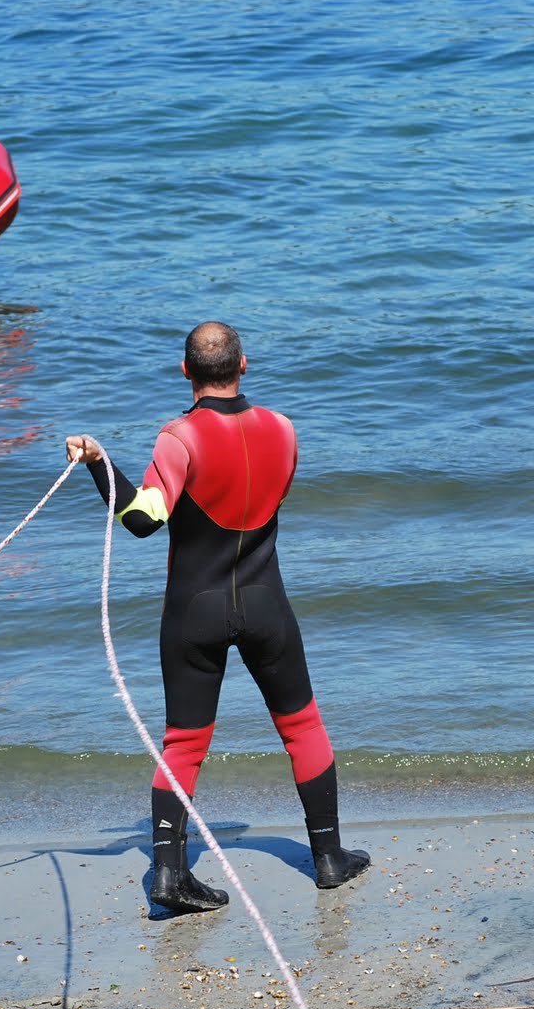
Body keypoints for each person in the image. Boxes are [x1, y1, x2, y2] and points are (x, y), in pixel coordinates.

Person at [65, 322, 370, 914]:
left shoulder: (178, 439)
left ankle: (170, 876)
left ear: (185, 371)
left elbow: (141, 519)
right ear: (244, 365)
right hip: (266, 603)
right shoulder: (284, 431)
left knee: (183, 744)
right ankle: (329, 858)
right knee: (302, 726)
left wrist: (99, 463)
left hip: (193, 611)